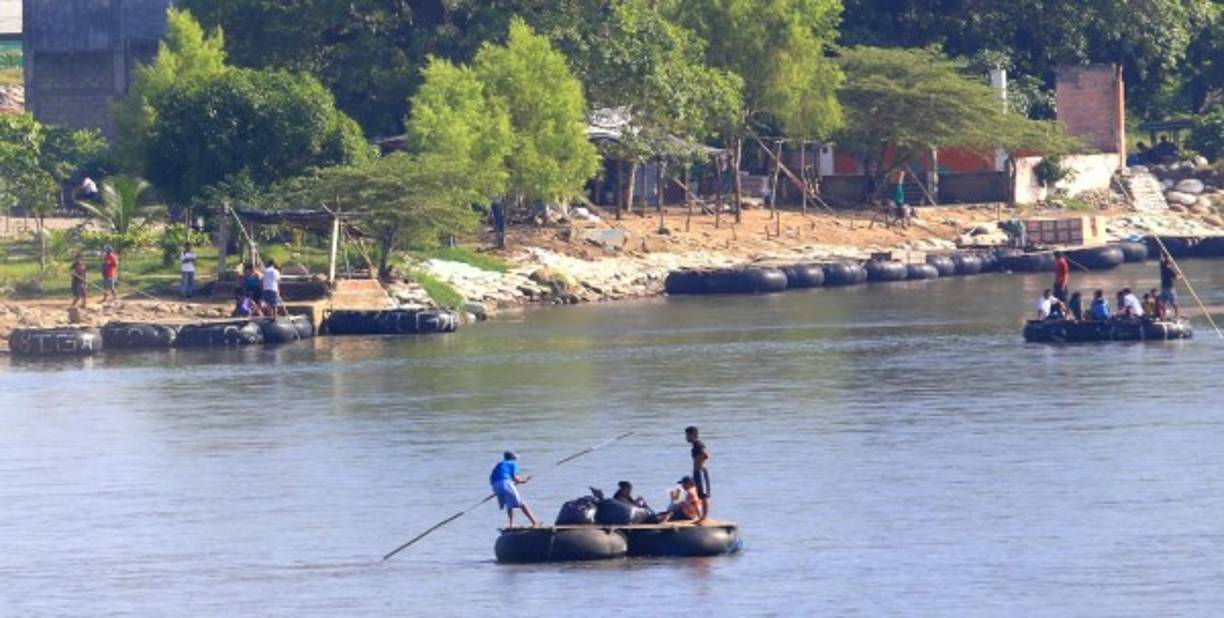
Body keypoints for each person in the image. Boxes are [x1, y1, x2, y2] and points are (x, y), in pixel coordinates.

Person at [489, 451, 538, 528]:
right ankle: (535, 523)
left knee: (509, 505)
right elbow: (514, 478)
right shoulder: (512, 464)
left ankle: (511, 524)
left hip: (495, 485)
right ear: (512, 458)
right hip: (505, 483)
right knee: (522, 503)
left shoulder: (499, 464)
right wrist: (523, 481)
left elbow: (496, 476)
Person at [686, 426, 710, 522]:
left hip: (700, 471)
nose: (686, 438)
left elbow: (706, 455)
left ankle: (704, 517)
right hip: (697, 471)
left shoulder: (698, 443)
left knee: (704, 495)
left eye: (688, 435)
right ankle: (701, 516)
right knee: (699, 493)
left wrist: (700, 465)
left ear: (693, 435)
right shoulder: (694, 445)